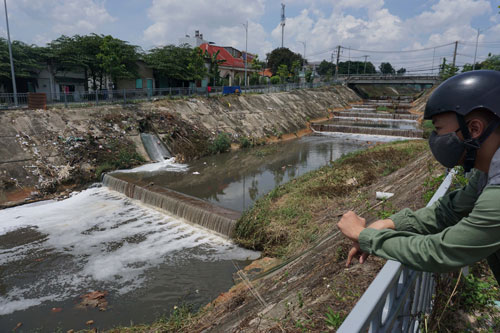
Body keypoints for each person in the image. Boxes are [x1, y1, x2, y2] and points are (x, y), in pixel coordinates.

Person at [337, 70, 500, 283]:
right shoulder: (486, 175)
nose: (434, 138)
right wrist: (389, 223)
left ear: (474, 128)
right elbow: (447, 212)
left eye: (439, 129)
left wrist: (363, 236)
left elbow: (442, 252)